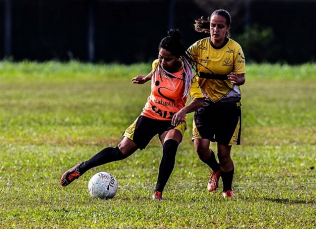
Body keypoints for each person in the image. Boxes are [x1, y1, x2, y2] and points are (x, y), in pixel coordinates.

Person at [60, 29, 204, 200]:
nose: (163, 62)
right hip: (150, 114)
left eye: (168, 58)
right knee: (120, 151)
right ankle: (80, 168)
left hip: (172, 119)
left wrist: (183, 111)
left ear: (178, 57)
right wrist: (146, 78)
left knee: (170, 146)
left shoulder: (188, 75)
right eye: (161, 57)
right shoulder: (157, 64)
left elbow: (199, 100)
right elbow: (156, 71)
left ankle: (158, 192)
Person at [187, 9, 246, 198]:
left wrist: (236, 79)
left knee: (223, 152)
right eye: (213, 25)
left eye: (220, 26)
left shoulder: (235, 49)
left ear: (227, 28)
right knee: (201, 148)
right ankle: (216, 170)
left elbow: (242, 78)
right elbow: (180, 63)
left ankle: (227, 189)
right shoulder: (199, 47)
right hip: (204, 104)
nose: (216, 29)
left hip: (228, 106)